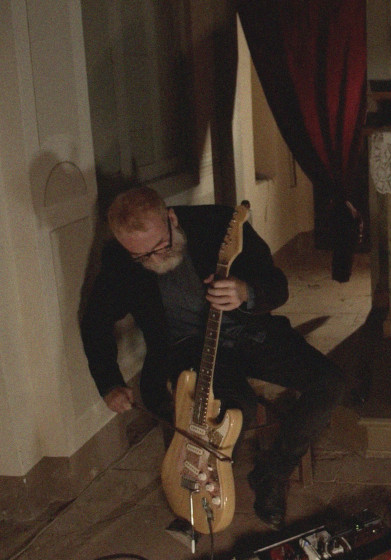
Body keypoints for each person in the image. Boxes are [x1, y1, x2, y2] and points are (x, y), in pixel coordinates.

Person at [80, 186, 344, 530]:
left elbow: (277, 284)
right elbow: (95, 322)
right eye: (141, 257)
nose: (155, 260)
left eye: (161, 247)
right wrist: (109, 382)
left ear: (171, 218)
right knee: (235, 410)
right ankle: (203, 495)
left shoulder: (220, 225)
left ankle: (272, 473)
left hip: (249, 332)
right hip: (189, 349)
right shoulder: (120, 260)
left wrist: (246, 292)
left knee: (329, 382)